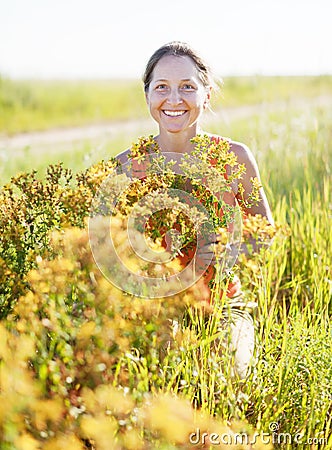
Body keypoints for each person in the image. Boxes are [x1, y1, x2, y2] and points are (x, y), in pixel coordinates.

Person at [116, 41, 274, 379]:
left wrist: (217, 253)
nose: (174, 100)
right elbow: (103, 251)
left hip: (223, 306)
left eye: (187, 87)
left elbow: (264, 237)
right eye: (162, 87)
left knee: (230, 378)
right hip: (149, 309)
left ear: (207, 95)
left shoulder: (235, 158)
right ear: (147, 96)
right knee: (148, 382)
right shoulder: (126, 167)